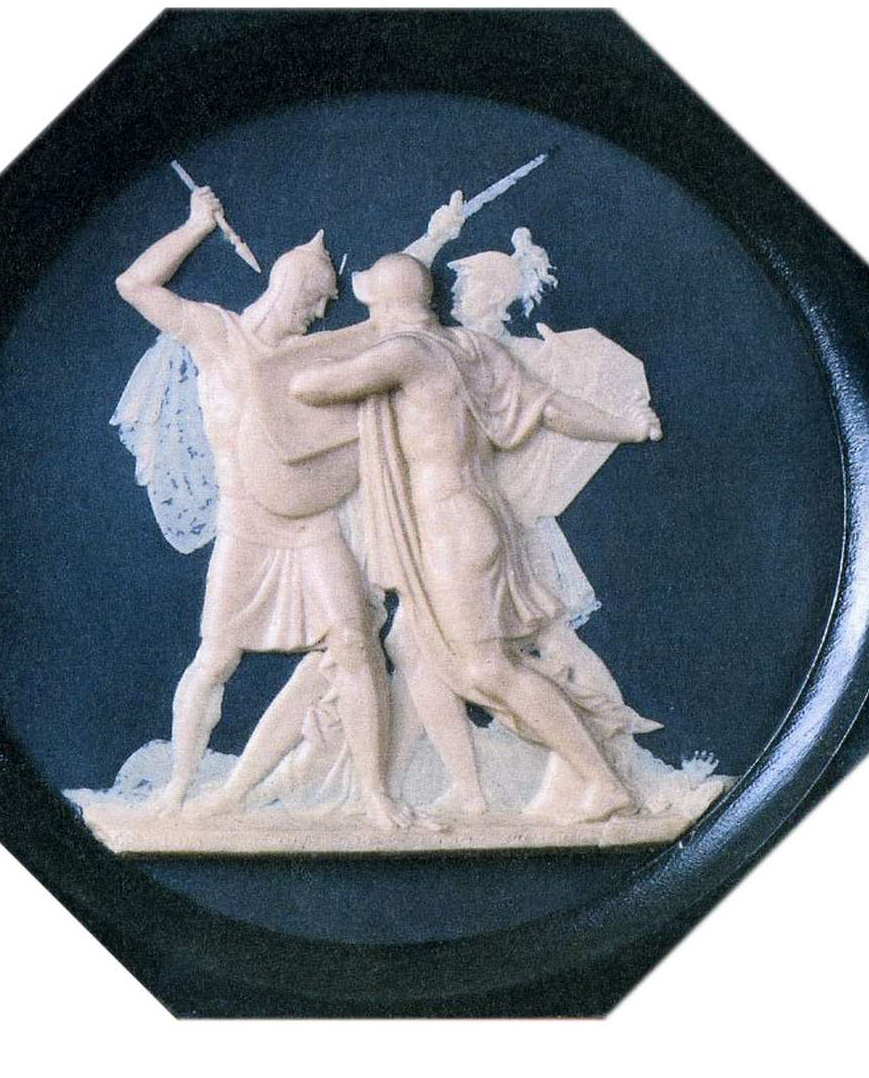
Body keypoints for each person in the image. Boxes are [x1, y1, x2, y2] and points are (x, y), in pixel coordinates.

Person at [289, 251, 662, 822]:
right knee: (436, 657)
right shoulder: (473, 349)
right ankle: (491, 782)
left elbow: (309, 387)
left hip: (448, 526)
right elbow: (551, 409)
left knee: (488, 669)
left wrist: (340, 342)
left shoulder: (407, 354)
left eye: (372, 303)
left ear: (384, 304)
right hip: (475, 516)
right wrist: (623, 427)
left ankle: (602, 779)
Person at [114, 186, 407, 829]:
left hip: (313, 523)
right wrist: (196, 225)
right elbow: (134, 285)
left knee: (356, 645)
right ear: (293, 289)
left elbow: (394, 325)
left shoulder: (318, 356)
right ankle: (178, 789)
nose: (322, 312)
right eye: (319, 300)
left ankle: (375, 795)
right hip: (246, 525)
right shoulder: (216, 335)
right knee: (216, 657)